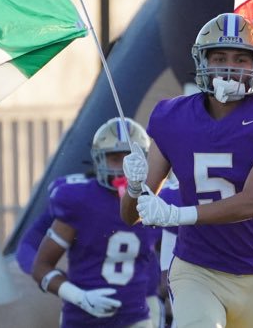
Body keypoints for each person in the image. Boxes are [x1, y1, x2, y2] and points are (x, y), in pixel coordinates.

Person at [120, 12, 253, 328]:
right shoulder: (171, 116)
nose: (229, 66)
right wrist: (134, 187)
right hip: (196, 269)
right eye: (219, 56)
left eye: (240, 58)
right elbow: (130, 216)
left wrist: (178, 215)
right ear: (202, 60)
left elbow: (252, 202)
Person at [31, 117, 164, 327]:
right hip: (81, 319)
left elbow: (176, 258)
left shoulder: (156, 199)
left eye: (129, 157)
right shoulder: (80, 201)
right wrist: (80, 297)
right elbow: (41, 267)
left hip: (136, 317)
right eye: (114, 157)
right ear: (99, 159)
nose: (123, 166)